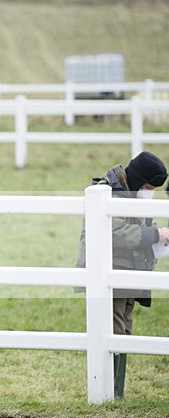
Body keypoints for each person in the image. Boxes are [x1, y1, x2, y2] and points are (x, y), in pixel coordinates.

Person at [75, 151, 169, 400]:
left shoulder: (126, 191)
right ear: (139, 180)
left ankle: (116, 390)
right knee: (115, 328)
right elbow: (116, 232)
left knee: (124, 329)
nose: (150, 191)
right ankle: (111, 392)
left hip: (125, 269)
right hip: (112, 269)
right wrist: (154, 236)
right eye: (149, 186)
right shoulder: (111, 192)